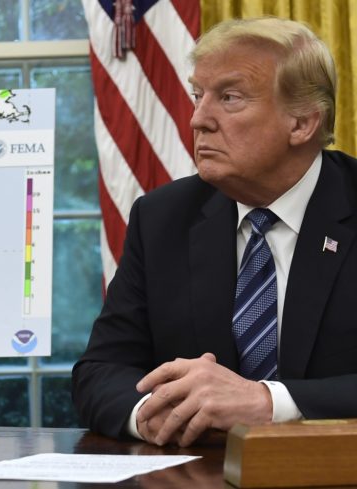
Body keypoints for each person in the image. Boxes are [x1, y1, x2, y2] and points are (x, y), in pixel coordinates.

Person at [72, 17, 357, 447]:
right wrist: (148, 415)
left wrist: (269, 402)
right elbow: (100, 372)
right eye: (197, 96)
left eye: (229, 97)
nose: (197, 120)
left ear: (302, 124)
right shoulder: (162, 218)